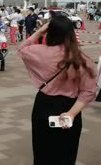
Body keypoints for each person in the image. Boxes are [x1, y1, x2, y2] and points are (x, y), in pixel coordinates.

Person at [18, 16, 96, 165]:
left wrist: (40, 31)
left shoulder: (40, 52)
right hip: (71, 107)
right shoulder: (82, 59)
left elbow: (22, 49)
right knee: (67, 152)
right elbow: (88, 91)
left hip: (44, 105)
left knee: (42, 151)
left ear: (50, 32)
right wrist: (72, 114)